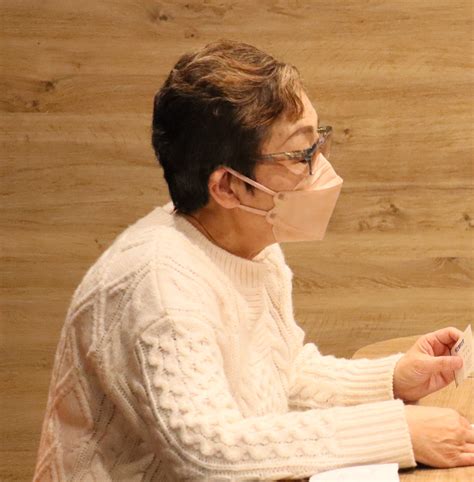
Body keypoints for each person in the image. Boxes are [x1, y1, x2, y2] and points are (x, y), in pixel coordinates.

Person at [33, 40, 473, 481]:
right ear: (228, 187)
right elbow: (209, 453)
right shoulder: (158, 285)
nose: (320, 165)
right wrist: (396, 431)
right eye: (302, 154)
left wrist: (392, 378)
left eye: (318, 141)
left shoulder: (249, 244)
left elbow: (281, 376)